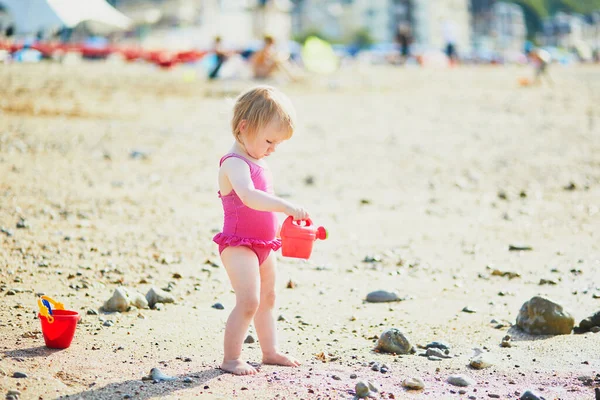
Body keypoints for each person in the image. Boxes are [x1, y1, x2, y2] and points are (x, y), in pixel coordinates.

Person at [213, 86, 309, 375]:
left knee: (269, 298)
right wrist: (285, 206)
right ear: (244, 127)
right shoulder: (233, 163)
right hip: (238, 244)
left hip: (265, 244)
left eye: (277, 144)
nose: (272, 149)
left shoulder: (258, 160)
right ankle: (231, 358)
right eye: (269, 140)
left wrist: (285, 227)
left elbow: (261, 210)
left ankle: (270, 351)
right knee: (249, 300)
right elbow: (249, 196)